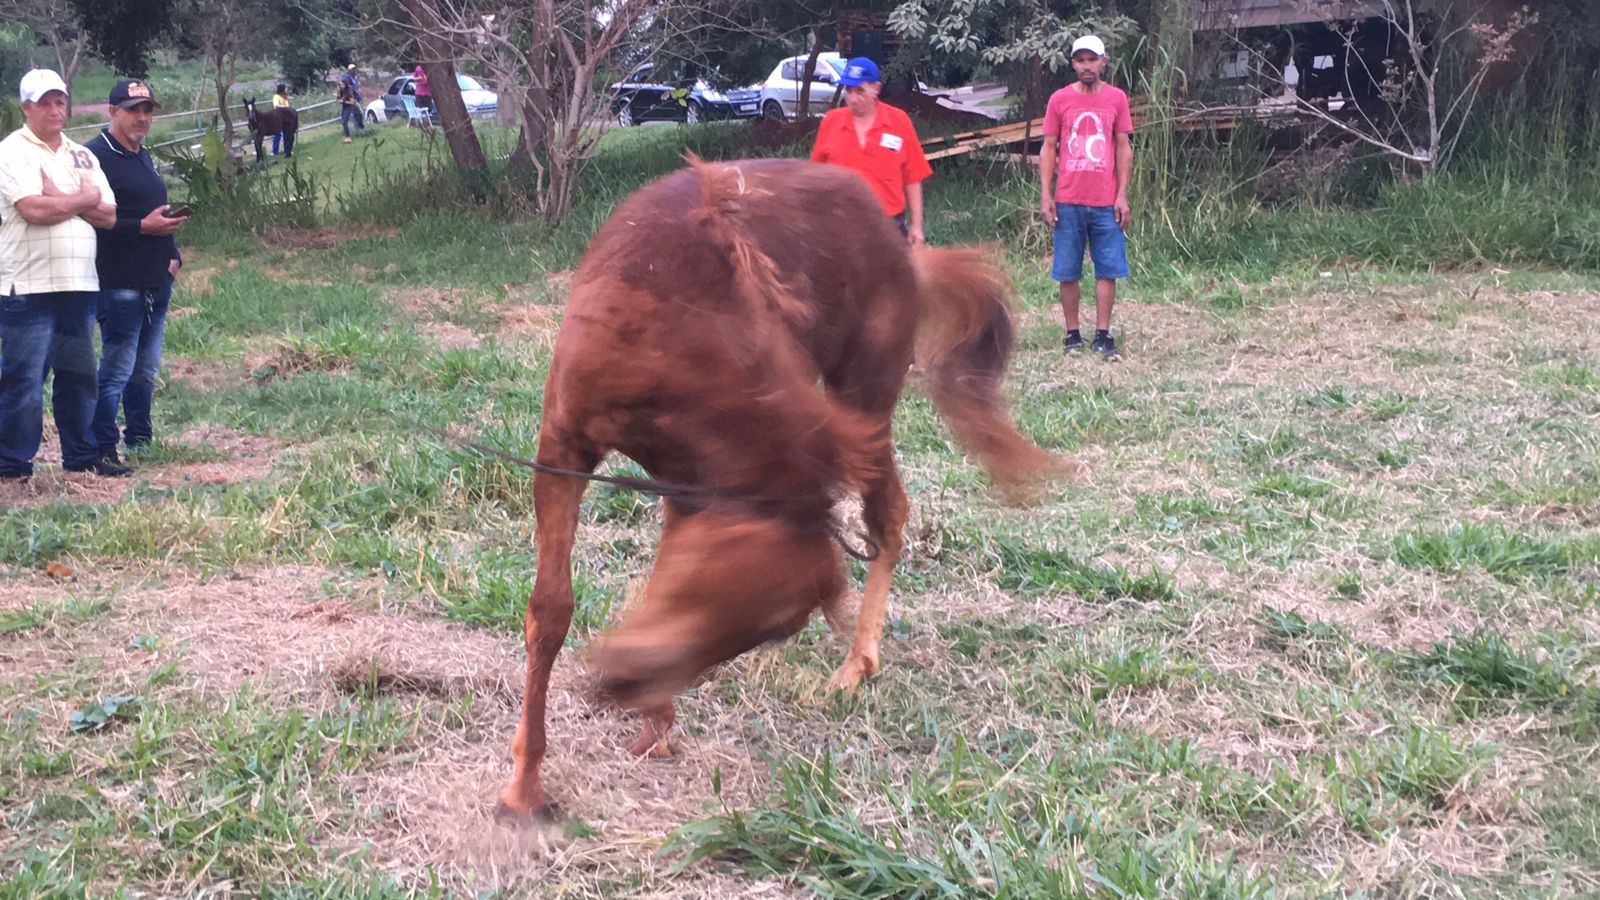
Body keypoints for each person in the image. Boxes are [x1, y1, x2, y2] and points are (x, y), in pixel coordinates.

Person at [0, 69, 126, 480]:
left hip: (79, 284)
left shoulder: (81, 155)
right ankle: (13, 463)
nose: (56, 109)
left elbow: (107, 215)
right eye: (45, 102)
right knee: (24, 378)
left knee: (78, 375)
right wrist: (82, 198)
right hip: (28, 285)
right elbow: (33, 210)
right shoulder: (11, 152)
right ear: (26, 107)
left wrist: (64, 198)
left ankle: (80, 455)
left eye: (60, 101)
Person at [86, 78, 186, 472]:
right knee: (116, 369)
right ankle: (101, 447)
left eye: (147, 111)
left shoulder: (141, 154)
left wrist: (173, 252)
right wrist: (142, 228)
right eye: (133, 110)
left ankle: (141, 439)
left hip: (156, 278)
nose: (142, 118)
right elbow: (93, 218)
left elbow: (154, 209)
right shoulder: (95, 157)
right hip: (118, 281)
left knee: (145, 368)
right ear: (112, 112)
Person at [1040, 34, 1133, 360]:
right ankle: (1072, 334)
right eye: (1080, 60)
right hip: (1068, 199)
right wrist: (1046, 195)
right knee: (1068, 270)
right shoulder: (1059, 100)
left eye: (1092, 59)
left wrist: (1121, 195)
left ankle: (1103, 335)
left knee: (1107, 269)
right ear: (1073, 64)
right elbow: (1049, 147)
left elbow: (1123, 146)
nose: (1086, 66)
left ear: (1103, 62)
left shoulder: (1117, 99)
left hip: (1105, 201)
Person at [809, 57, 931, 245]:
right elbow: (815, 179)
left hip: (888, 226)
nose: (853, 99)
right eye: (848, 91)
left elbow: (913, 176)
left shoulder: (899, 121)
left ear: (876, 89)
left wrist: (917, 226)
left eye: (860, 91)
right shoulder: (831, 122)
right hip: (842, 227)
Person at [338, 64, 364, 143]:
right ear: (349, 70)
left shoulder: (354, 77)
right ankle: (356, 130)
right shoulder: (347, 78)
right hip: (351, 99)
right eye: (353, 69)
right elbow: (347, 88)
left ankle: (358, 129)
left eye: (355, 69)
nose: (354, 71)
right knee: (355, 114)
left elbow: (356, 87)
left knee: (358, 113)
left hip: (354, 98)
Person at [271, 82, 291, 155]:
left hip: (285, 118)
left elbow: (287, 106)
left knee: (286, 134)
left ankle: (286, 149)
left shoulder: (284, 97)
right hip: (278, 118)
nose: (286, 90)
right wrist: (285, 108)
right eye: (285, 88)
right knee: (277, 135)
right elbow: (276, 106)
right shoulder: (276, 97)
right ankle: (275, 151)